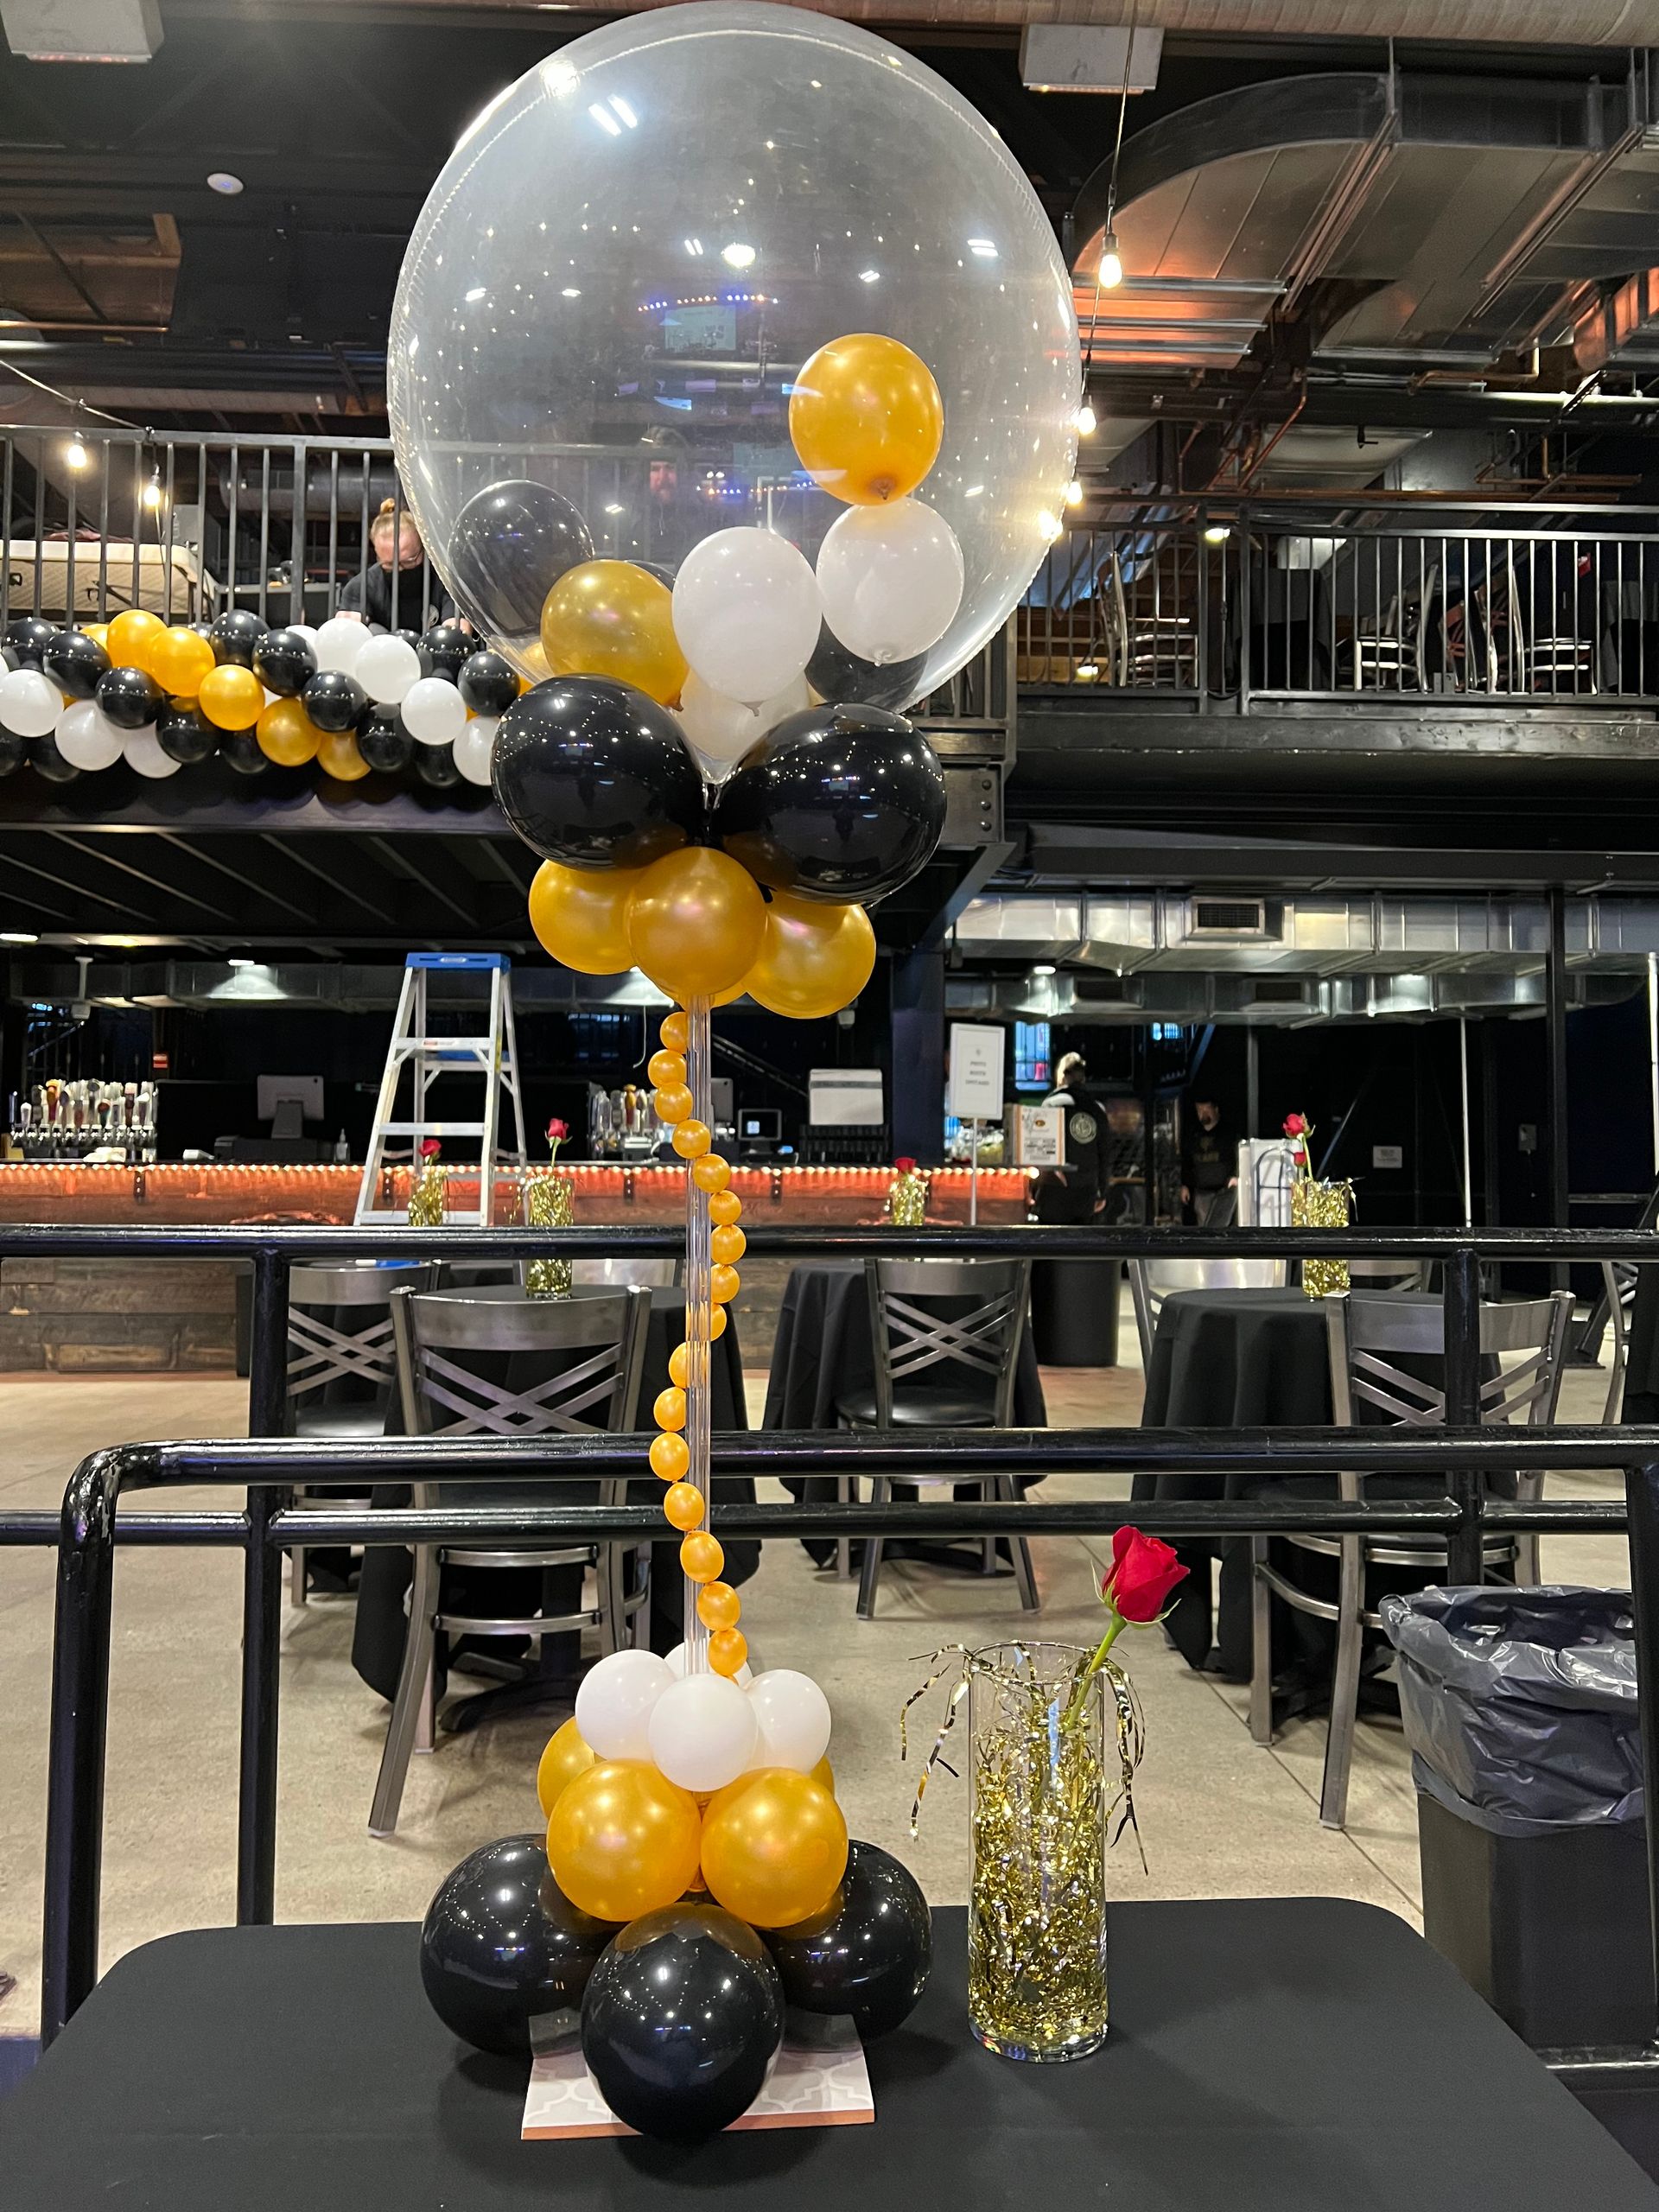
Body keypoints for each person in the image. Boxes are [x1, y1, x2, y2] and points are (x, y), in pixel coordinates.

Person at [337, 498, 460, 631]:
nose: (399, 570)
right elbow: (347, 634)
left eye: (409, 561)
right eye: (389, 564)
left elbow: (456, 635)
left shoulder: (446, 582)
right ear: (377, 555)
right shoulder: (360, 587)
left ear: (424, 547)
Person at [1033, 1050, 1111, 1224]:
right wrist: (1102, 1191)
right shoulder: (1097, 1110)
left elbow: (1039, 1149)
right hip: (1086, 1191)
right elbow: (1105, 1154)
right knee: (1080, 1246)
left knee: (1051, 1245)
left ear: (1061, 1076)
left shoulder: (1051, 1105)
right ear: (1082, 1079)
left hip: (1055, 1189)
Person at [1181, 1095, 1237, 1224]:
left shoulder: (1228, 1133)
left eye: (1207, 1109)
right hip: (1202, 1193)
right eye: (1200, 1109)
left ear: (1216, 1109)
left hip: (1224, 1192)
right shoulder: (1193, 1134)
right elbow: (1187, 1161)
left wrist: (1235, 1176)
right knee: (1205, 1229)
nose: (1203, 1113)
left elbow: (1238, 1157)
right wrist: (1185, 1185)